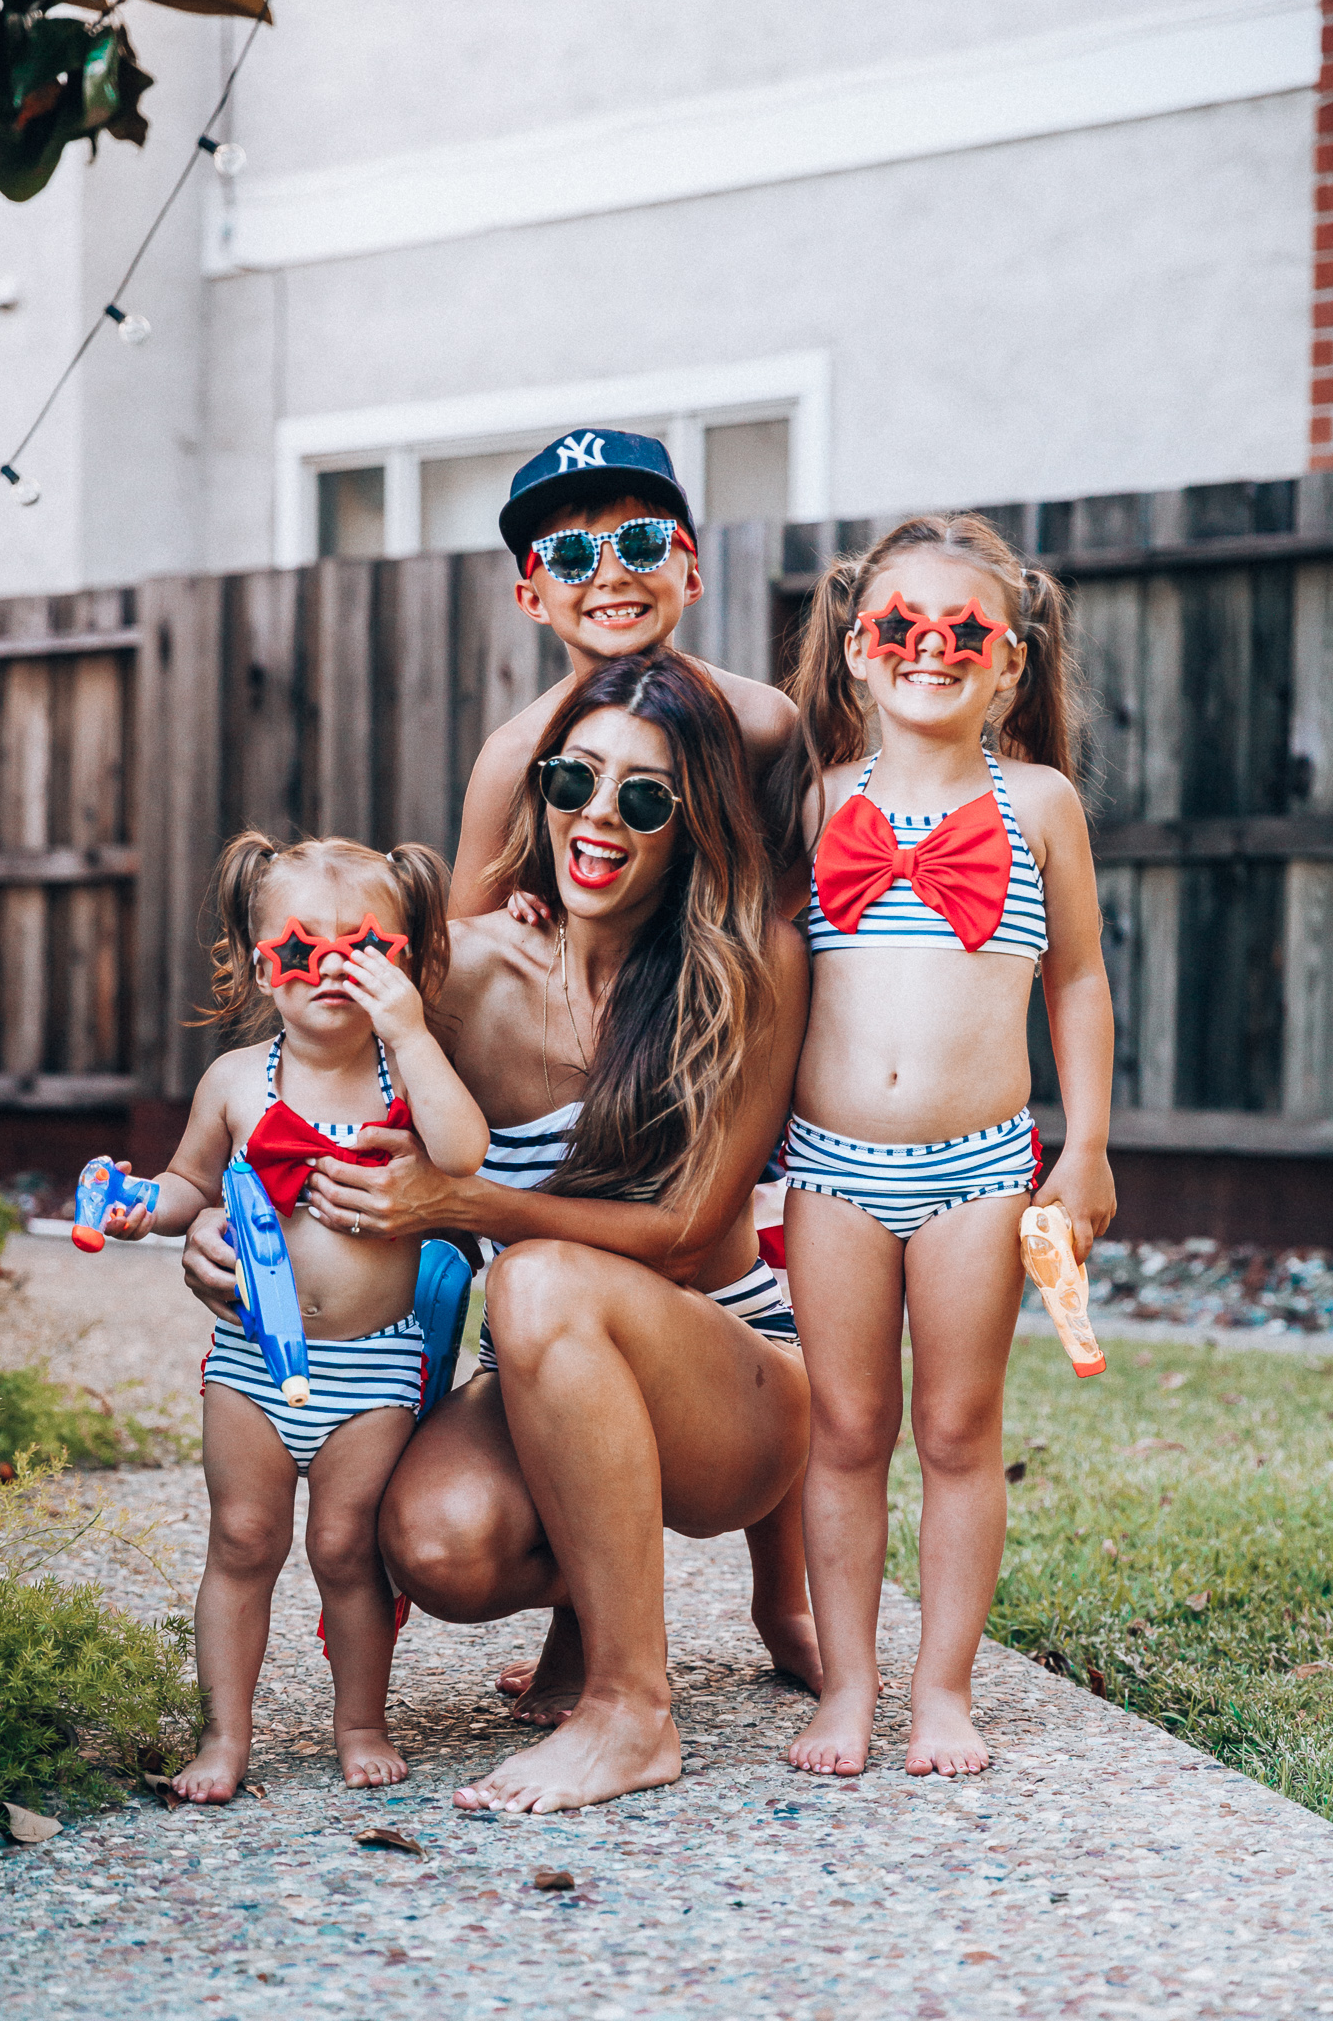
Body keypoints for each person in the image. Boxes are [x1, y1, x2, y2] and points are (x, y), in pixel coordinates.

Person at [181, 649, 815, 1814]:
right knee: (435, 1541)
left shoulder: (744, 963)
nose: (597, 817)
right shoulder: (456, 971)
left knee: (530, 1280)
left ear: (694, 823)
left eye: (644, 797)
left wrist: (464, 1203)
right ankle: (590, 1601)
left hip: (733, 1381)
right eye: (575, 781)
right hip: (545, 1374)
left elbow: (684, 1229)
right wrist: (221, 1223)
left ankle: (633, 1708)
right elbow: (316, 1099)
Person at [767, 514, 1117, 1780]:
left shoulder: (1036, 803)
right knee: (845, 1430)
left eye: (962, 630)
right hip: (828, 1167)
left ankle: (943, 1688)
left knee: (959, 1429)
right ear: (854, 652)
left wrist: (1083, 1148)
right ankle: (847, 1687)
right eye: (897, 626)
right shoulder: (812, 803)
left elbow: (1075, 980)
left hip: (978, 1165)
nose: (930, 645)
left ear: (1009, 661)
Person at [104, 833, 488, 1801]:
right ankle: (223, 1734)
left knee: (346, 1549)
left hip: (373, 1368)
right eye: (297, 948)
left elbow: (464, 1149)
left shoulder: (410, 1076)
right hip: (249, 1359)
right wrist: (144, 1208)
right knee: (241, 1541)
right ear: (249, 958)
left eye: (360, 951)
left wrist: (409, 1031)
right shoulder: (234, 1081)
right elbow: (190, 1179)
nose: (327, 970)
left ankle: (359, 1718)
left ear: (407, 962)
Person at [448, 429, 797, 917]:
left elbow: (794, 901)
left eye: (643, 543)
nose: (612, 575)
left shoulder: (763, 723)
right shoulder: (513, 760)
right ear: (532, 599)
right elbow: (465, 944)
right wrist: (513, 923)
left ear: (691, 577)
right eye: (569, 554)